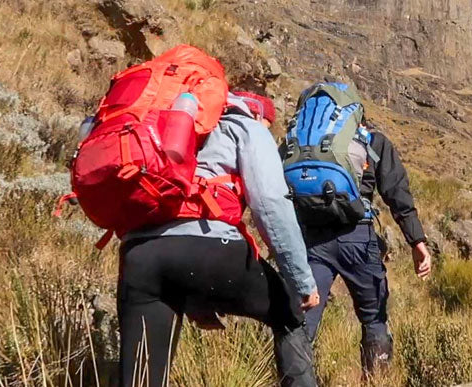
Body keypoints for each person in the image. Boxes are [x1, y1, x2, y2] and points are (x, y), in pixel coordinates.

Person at [116, 91, 320, 387]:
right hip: (209, 249)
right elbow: (271, 204)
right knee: (289, 313)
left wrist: (197, 301)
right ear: (259, 116)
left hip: (139, 254)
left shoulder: (167, 125)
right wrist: (302, 282)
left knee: (143, 377)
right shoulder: (246, 127)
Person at [300, 119, 432, 376]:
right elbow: (396, 192)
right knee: (374, 319)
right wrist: (417, 241)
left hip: (312, 240)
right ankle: (377, 380)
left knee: (302, 323)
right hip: (358, 237)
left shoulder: (305, 141)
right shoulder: (371, 140)